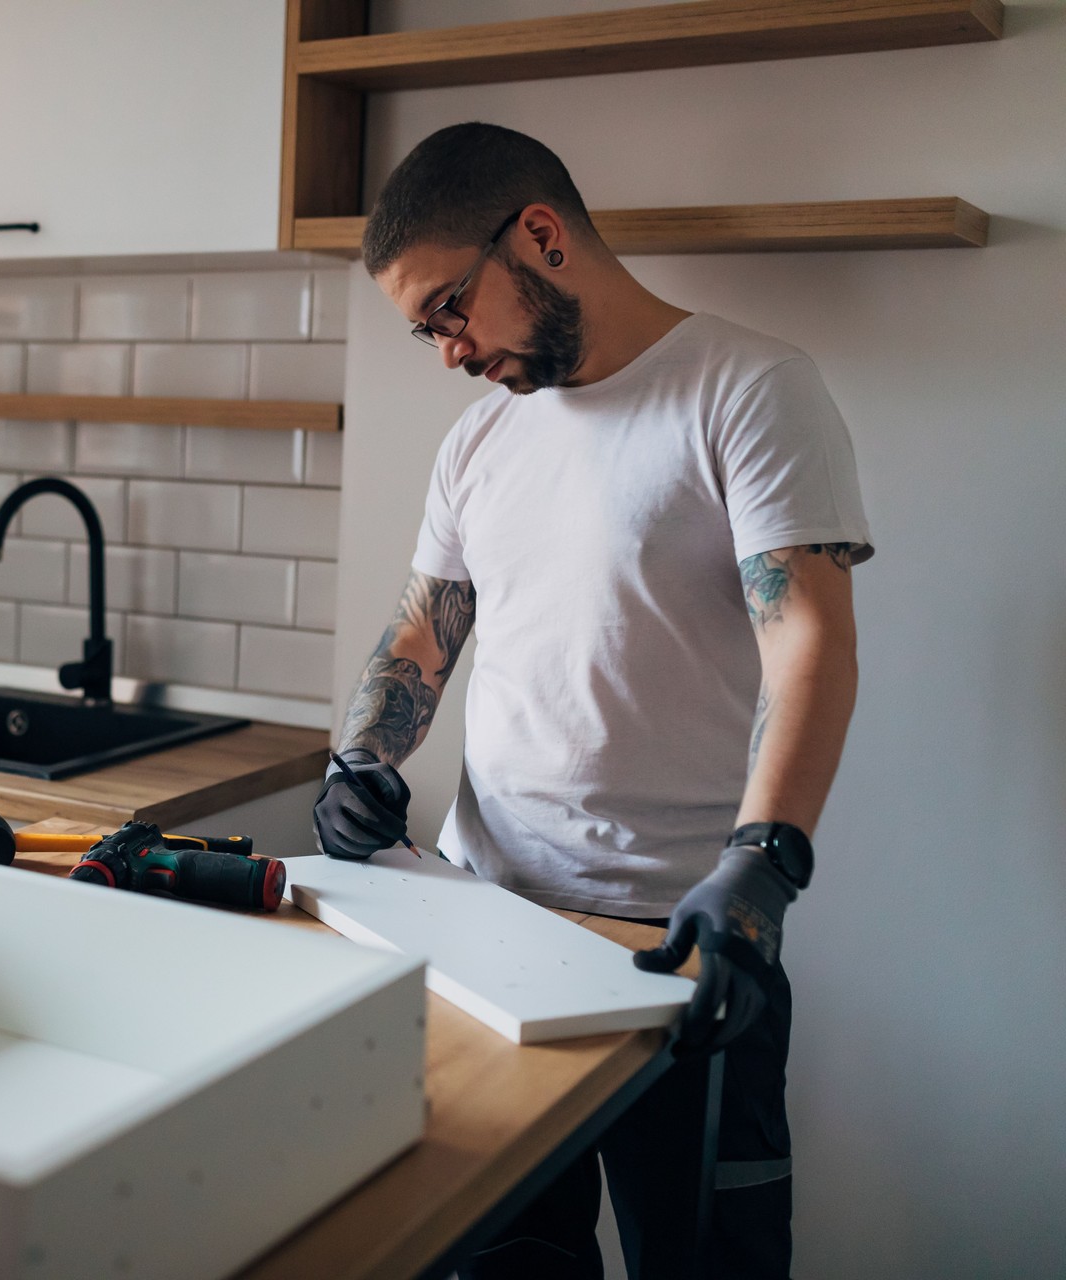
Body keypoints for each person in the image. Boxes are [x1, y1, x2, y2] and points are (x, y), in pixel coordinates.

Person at [311, 123, 869, 1279]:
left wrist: (765, 864)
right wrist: (359, 759)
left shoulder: (749, 388)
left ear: (541, 237)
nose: (448, 353)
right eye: (425, 329)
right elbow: (427, 622)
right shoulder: (479, 439)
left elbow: (806, 634)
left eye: (449, 309)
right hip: (485, 928)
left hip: (682, 951)